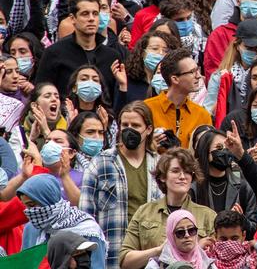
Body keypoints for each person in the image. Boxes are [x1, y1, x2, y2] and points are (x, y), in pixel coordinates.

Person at [80, 101, 161, 269]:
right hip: (111, 258)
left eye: (136, 125)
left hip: (151, 258)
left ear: (149, 129)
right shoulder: (101, 163)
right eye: (125, 124)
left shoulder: (159, 165)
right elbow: (86, 217)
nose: (129, 129)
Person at [120, 148, 216, 269]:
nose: (182, 176)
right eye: (175, 171)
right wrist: (160, 250)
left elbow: (217, 258)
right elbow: (125, 260)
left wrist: (195, 249)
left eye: (187, 172)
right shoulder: (144, 212)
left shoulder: (208, 216)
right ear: (162, 177)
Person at [34, 0, 121, 103]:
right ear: (73, 18)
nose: (91, 19)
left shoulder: (112, 56)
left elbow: (117, 97)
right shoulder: (54, 53)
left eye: (95, 13)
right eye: (85, 14)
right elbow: (40, 93)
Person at [18, 173, 107, 268]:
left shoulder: (87, 229)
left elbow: (97, 264)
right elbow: (25, 263)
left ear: (47, 200)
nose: (30, 211)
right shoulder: (32, 228)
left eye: (32, 205)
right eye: (26, 206)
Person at [190, 129, 257, 232]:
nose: (225, 151)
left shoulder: (243, 186)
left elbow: (255, 229)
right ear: (205, 152)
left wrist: (241, 220)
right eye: (219, 147)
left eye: (227, 147)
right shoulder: (194, 189)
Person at [145, 48, 211, 148]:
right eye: (192, 72)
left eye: (198, 70)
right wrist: (148, 144)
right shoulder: (147, 109)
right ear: (175, 79)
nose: (199, 76)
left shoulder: (202, 115)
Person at [144, 209, 215, 269]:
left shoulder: (208, 264)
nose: (187, 235)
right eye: (180, 232)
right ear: (171, 236)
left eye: (191, 230)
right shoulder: (157, 265)